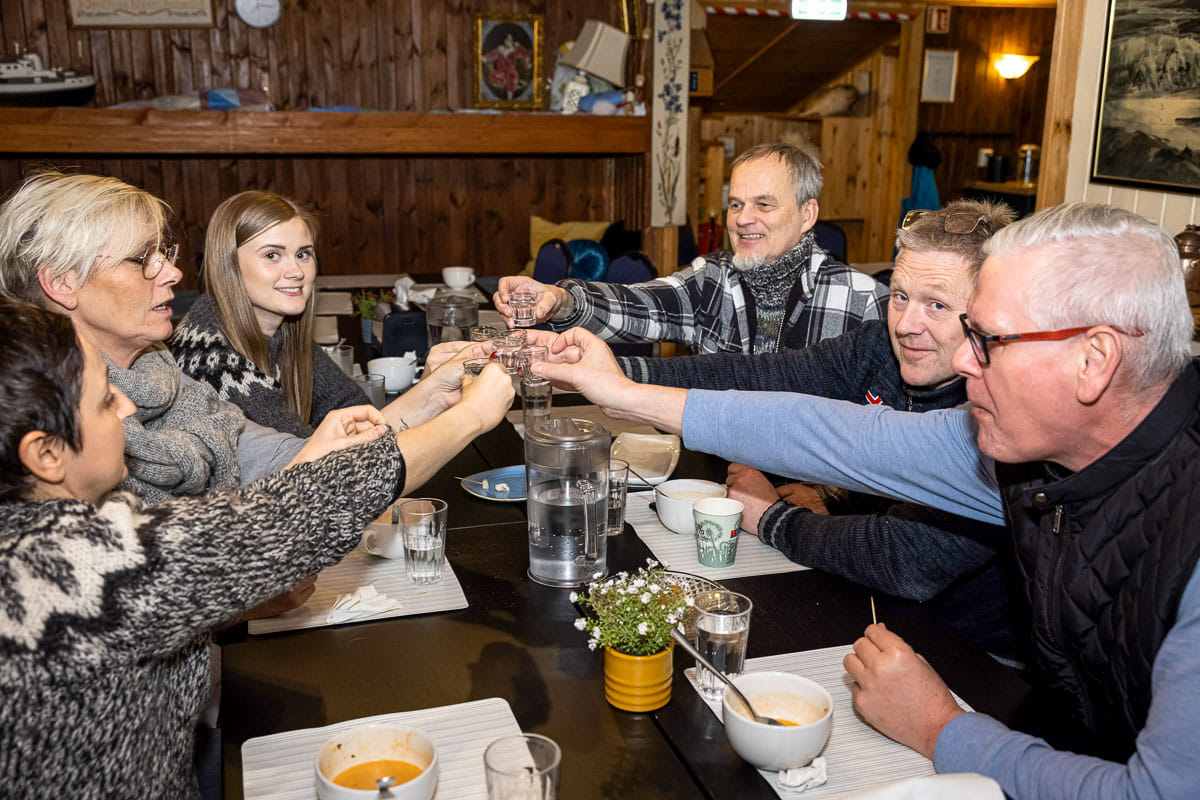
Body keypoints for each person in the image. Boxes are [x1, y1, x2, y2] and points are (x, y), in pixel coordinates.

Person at [536, 203, 1200, 798]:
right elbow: (833, 432)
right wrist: (620, 388)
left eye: (990, 340)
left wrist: (942, 727)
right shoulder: (1030, 452)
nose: (967, 362)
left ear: (1095, 359)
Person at [0, 296, 512, 796]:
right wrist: (472, 416)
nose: (127, 406)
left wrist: (231, 610)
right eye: (106, 400)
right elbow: (304, 507)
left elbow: (119, 631)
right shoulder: (73, 564)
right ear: (46, 454)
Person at [613, 199, 1021, 654]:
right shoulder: (878, 346)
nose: (907, 324)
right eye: (900, 296)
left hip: (973, 655)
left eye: (938, 305)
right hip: (875, 608)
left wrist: (774, 519)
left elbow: (904, 558)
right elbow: (761, 377)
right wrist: (617, 374)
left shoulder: (999, 412)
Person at [494, 142, 889, 355]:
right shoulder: (713, 279)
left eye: (763, 204)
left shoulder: (864, 301)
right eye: (736, 204)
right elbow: (636, 307)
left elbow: (889, 426)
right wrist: (560, 299)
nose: (742, 218)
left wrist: (827, 494)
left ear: (807, 214)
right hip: (711, 481)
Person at [170, 190, 376, 437]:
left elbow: (356, 409)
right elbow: (309, 464)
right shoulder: (214, 363)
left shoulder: (283, 329)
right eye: (272, 255)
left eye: (303, 254)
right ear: (228, 265)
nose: (296, 271)